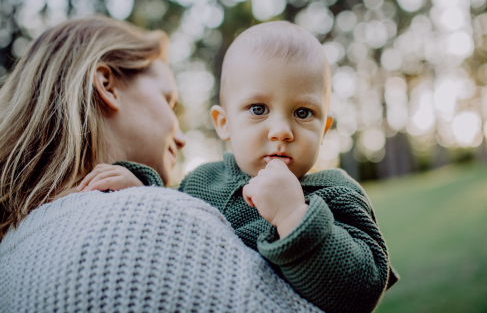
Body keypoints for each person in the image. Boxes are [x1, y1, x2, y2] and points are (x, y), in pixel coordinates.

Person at [0, 17, 321, 312]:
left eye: (303, 112)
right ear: (107, 86)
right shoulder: (150, 223)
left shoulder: (13, 252)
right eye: (169, 100)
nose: (181, 138)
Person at [81, 21, 399, 313]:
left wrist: (294, 217)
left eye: (303, 113)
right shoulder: (203, 183)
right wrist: (140, 188)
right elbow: (171, 217)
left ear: (324, 128)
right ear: (224, 124)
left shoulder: (334, 192)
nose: (281, 131)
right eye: (258, 109)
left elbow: (364, 290)